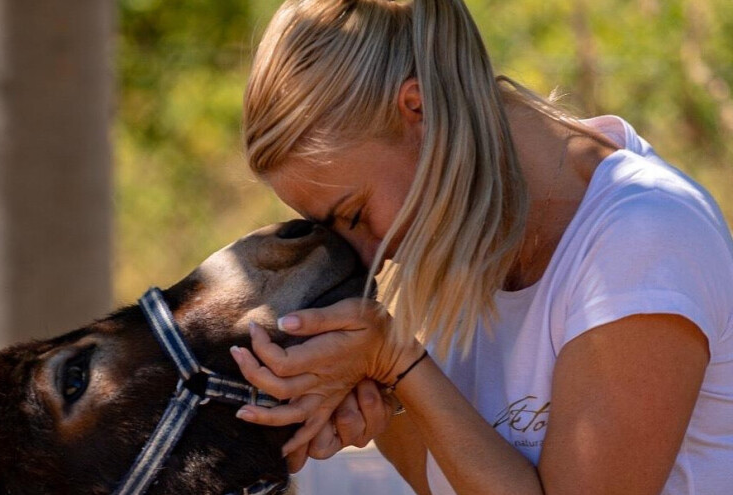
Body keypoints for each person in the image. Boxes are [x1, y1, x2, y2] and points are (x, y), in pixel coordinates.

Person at [228, 0, 733, 493]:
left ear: (418, 108)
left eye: (356, 214)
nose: (368, 262)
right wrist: (381, 396)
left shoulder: (644, 238)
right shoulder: (472, 231)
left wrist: (398, 363)